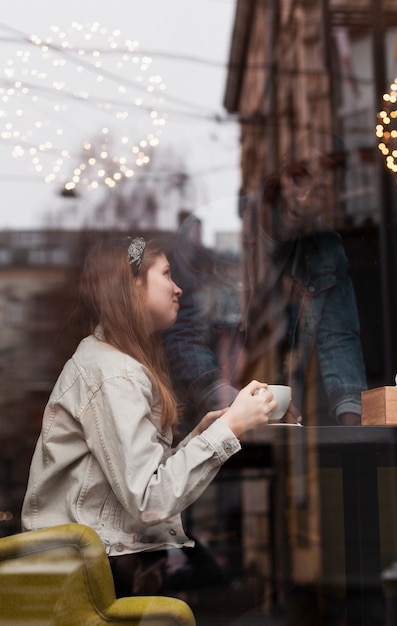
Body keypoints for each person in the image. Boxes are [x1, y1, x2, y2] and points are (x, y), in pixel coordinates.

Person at [21, 235, 278, 598]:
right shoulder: (115, 373)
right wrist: (228, 429)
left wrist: (200, 437)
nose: (179, 290)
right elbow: (147, 500)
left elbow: (132, 481)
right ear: (131, 284)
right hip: (83, 578)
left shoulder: (113, 363)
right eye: (167, 274)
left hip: (84, 568)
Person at [162, 145, 367, 428]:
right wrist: (232, 402)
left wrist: (354, 425)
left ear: (331, 200)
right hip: (205, 418)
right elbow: (182, 333)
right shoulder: (210, 227)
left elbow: (338, 337)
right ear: (281, 172)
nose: (303, 198)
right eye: (298, 180)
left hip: (283, 421)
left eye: (320, 191)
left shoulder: (326, 249)